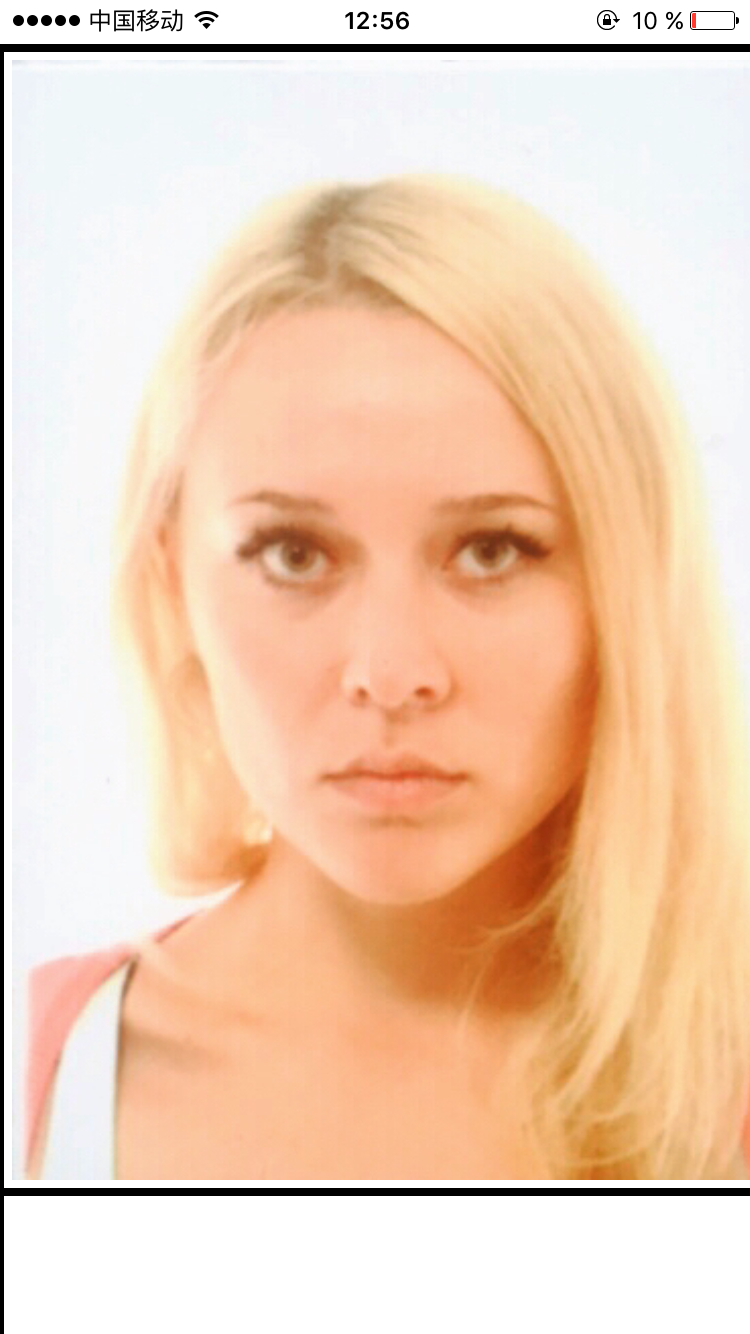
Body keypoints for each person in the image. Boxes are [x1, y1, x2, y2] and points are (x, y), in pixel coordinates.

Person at [25, 173, 750, 1181]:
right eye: (293, 554)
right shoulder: (44, 1079)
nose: (392, 674)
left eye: (493, 550)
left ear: (629, 586)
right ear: (170, 581)